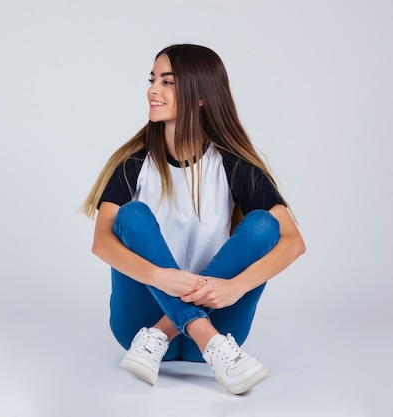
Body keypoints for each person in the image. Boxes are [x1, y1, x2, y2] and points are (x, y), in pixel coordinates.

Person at [81, 44, 305, 395]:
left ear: (200, 97)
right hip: (141, 330)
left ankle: (178, 332)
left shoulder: (234, 164)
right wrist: (161, 278)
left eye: (167, 82)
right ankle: (206, 343)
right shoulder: (133, 164)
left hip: (220, 317)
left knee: (265, 223)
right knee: (132, 214)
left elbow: (293, 241)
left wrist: (236, 287)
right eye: (153, 79)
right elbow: (102, 242)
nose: (153, 90)